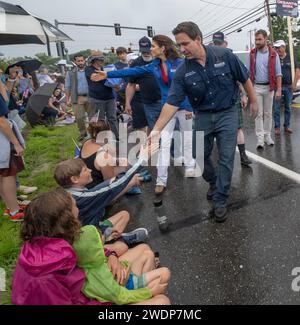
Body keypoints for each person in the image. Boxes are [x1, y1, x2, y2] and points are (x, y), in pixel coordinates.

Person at [148, 22, 258, 222]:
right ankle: (214, 182)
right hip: (204, 115)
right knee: (198, 156)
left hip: (227, 113)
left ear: (198, 39)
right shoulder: (183, 71)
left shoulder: (224, 56)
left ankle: (220, 200)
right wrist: (156, 131)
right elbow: (171, 103)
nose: (181, 49)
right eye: (179, 45)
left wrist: (254, 101)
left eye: (185, 44)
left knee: (226, 157)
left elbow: (244, 78)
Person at [95, 35, 197, 194]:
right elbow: (133, 70)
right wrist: (107, 75)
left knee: (187, 136)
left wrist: (190, 107)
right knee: (163, 142)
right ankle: (161, 180)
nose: (151, 49)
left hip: (184, 107)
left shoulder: (180, 62)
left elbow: (189, 85)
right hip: (167, 108)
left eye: (154, 46)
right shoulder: (154, 65)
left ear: (163, 48)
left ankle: (190, 165)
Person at [12, 189, 113, 305]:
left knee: (136, 252)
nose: (78, 209)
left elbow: (87, 252)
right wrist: (107, 301)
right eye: (75, 206)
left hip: (82, 291)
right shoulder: (44, 280)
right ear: (67, 219)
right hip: (84, 298)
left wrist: (111, 255)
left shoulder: (43, 241)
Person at [53, 142, 158, 230]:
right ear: (74, 179)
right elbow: (116, 185)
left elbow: (112, 183)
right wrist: (142, 160)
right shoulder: (84, 197)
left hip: (87, 224)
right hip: (90, 231)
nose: (90, 170)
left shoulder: (66, 191)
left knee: (123, 213)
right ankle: (106, 237)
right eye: (85, 170)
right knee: (124, 218)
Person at [212, 31, 252, 167]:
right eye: (216, 43)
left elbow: (241, 78)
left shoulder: (231, 57)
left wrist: (244, 95)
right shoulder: (208, 58)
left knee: (238, 128)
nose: (218, 46)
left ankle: (243, 156)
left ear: (225, 43)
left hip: (232, 98)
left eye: (220, 43)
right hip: (215, 102)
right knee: (218, 132)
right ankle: (222, 161)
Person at [249, 30, 282, 149]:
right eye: (256, 39)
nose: (257, 42)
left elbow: (278, 73)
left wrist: (279, 89)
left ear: (265, 39)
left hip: (269, 88)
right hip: (256, 87)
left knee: (268, 114)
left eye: (259, 39)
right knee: (258, 114)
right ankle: (260, 139)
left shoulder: (273, 54)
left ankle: (267, 136)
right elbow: (250, 72)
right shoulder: (253, 53)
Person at [0, 85, 25, 221]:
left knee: (1, 174)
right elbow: (2, 121)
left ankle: (10, 206)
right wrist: (16, 143)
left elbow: (5, 98)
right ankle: (15, 212)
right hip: (2, 140)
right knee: (8, 173)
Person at [125, 37, 161, 131]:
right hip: (148, 103)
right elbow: (131, 85)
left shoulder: (160, 60)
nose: (146, 53)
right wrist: (127, 103)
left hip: (163, 100)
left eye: (147, 50)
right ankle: (151, 145)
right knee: (152, 127)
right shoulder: (136, 63)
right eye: (143, 51)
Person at [85, 51, 119, 139]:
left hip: (110, 97)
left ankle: (116, 137)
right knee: (99, 120)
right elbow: (94, 77)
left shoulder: (106, 69)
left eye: (102, 59)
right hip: (97, 98)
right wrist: (106, 76)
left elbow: (112, 80)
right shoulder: (89, 69)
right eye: (100, 59)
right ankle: (99, 138)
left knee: (112, 118)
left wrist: (115, 84)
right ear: (94, 60)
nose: (102, 61)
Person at [115, 47, 148, 132]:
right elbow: (123, 83)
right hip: (130, 97)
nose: (132, 64)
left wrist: (141, 86)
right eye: (130, 62)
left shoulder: (144, 69)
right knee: (137, 120)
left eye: (133, 62)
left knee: (147, 121)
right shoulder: (120, 67)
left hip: (145, 97)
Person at [273, 39, 300, 135]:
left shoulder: (291, 58)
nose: (277, 50)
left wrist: (294, 84)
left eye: (278, 47)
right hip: (277, 87)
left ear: (284, 47)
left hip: (288, 87)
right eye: (275, 48)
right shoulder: (274, 58)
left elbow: (297, 71)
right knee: (276, 108)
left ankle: (287, 126)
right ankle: (277, 127)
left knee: (288, 107)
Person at [65, 54, 91, 140]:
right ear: (75, 62)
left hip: (91, 96)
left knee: (93, 117)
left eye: (81, 60)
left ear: (84, 61)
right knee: (79, 117)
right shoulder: (71, 73)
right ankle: (83, 133)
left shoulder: (90, 71)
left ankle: (94, 132)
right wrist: (67, 99)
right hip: (77, 97)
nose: (80, 62)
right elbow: (67, 87)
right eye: (78, 61)